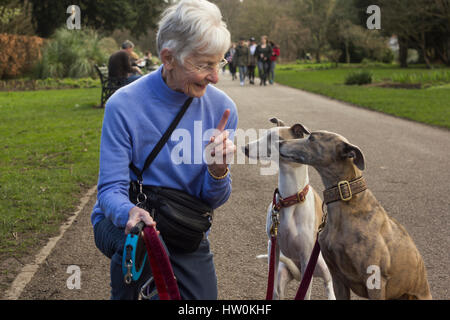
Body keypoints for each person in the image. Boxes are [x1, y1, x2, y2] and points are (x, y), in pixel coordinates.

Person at [92, 0, 238, 300]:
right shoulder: (123, 105)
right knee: (142, 259)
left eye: (219, 62)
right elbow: (109, 192)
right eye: (203, 65)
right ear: (168, 58)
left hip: (183, 227)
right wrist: (130, 212)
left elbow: (212, 201)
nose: (215, 77)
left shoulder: (222, 109)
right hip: (126, 221)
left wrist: (218, 171)